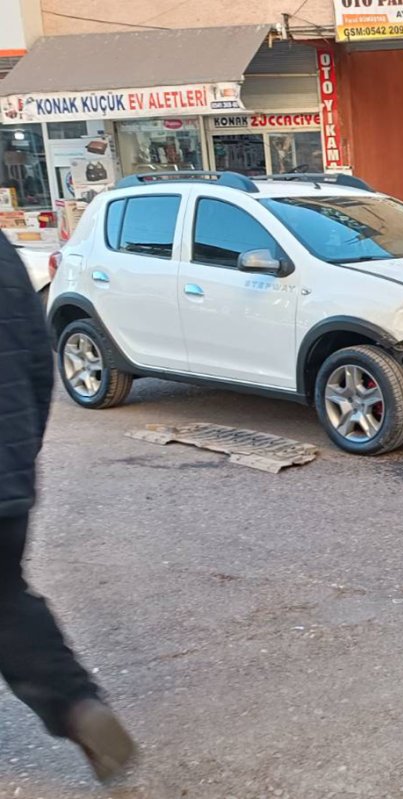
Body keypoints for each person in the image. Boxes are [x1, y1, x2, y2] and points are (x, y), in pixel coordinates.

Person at [0, 235, 136, 783]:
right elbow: (39, 358)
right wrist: (18, 459)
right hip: (6, 474)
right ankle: (78, 706)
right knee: (6, 601)